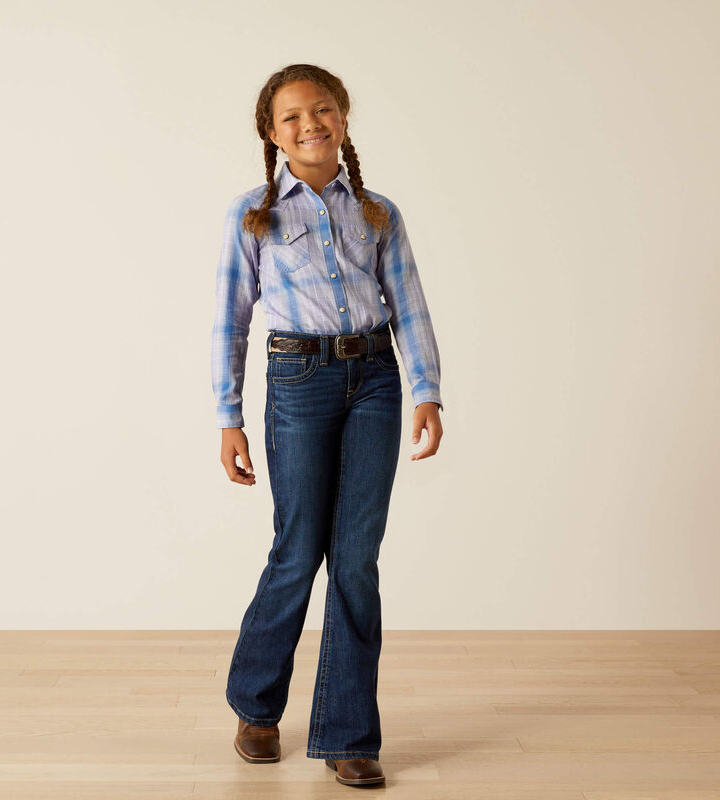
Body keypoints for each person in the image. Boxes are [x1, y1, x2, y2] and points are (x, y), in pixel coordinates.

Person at [210, 63, 444, 787]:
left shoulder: (378, 213)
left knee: (356, 559)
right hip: (297, 382)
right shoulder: (254, 215)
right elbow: (231, 320)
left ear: (343, 116)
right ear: (271, 133)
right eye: (292, 116)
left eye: (322, 109)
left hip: (374, 379)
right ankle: (256, 706)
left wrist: (427, 390)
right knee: (297, 550)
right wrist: (228, 416)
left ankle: (348, 734)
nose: (309, 124)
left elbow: (408, 303)